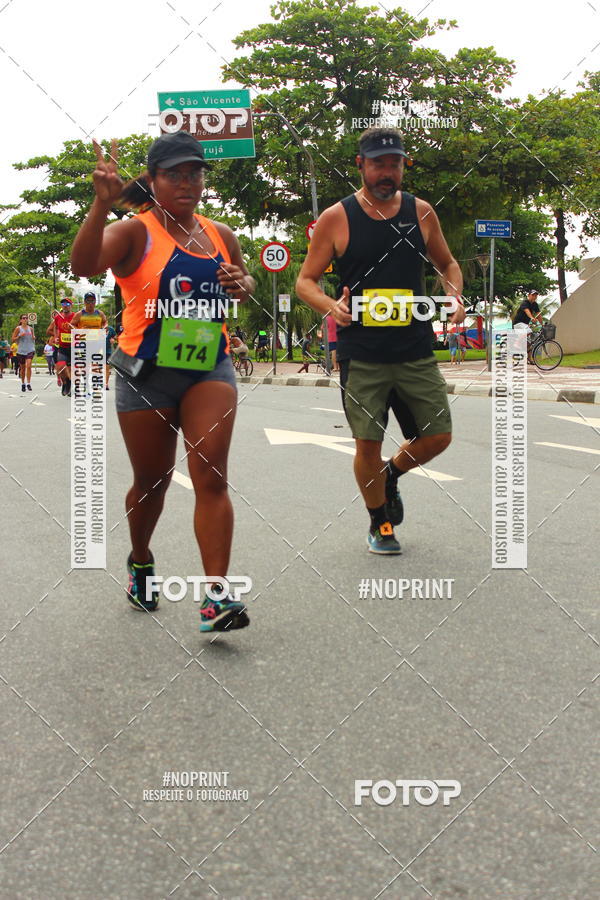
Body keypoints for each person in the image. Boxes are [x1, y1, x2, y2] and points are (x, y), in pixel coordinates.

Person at [70, 133, 255, 631]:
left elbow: (241, 280)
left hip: (207, 370)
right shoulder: (135, 232)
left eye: (195, 173)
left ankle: (216, 596)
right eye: (174, 174)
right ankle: (141, 559)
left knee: (211, 474)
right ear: (152, 180)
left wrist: (245, 282)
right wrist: (100, 205)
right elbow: (84, 266)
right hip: (145, 375)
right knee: (151, 484)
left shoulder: (221, 234)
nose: (187, 183)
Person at [296, 126, 465, 554]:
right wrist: (331, 306)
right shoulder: (337, 217)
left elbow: (447, 263)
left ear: (403, 165)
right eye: (378, 164)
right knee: (367, 442)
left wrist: (454, 294)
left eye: (394, 164)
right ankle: (379, 524)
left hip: (414, 349)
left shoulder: (422, 212)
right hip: (362, 353)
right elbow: (305, 282)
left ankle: (390, 476)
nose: (386, 172)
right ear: (361, 166)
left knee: (438, 436)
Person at [52, 298, 75, 395]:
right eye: (63, 303)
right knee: (60, 367)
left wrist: (74, 328)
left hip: (74, 347)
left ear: (71, 305)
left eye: (67, 303)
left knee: (71, 368)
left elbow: (82, 328)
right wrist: (56, 337)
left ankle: (69, 383)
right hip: (62, 347)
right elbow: (55, 327)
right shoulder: (58, 317)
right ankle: (66, 382)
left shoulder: (76, 316)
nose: (65, 305)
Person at [11, 315, 36, 393]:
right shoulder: (18, 328)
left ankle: (28, 383)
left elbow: (33, 337)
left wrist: (34, 337)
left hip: (30, 349)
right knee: (23, 368)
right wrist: (19, 336)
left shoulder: (30, 328)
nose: (25, 319)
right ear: (21, 320)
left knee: (28, 366)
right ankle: (23, 383)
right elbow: (12, 339)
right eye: (23, 318)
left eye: (26, 318)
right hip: (21, 350)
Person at [104, 320, 117, 389]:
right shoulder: (97, 329)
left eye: (105, 322)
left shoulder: (111, 329)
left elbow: (115, 337)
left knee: (107, 368)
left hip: (107, 351)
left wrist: (113, 340)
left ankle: (106, 384)